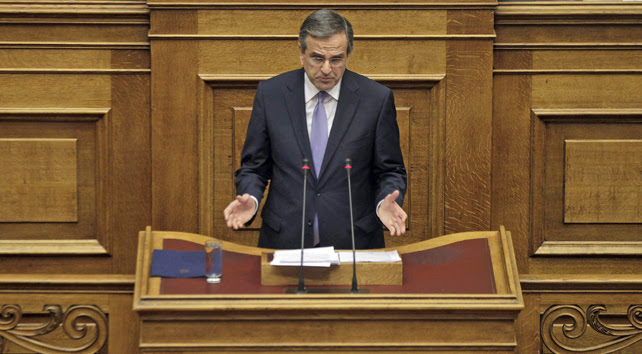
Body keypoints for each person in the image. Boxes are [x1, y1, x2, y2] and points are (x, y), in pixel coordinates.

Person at [224, 9, 407, 249]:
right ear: (301, 54)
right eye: (317, 58)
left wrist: (385, 199)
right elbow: (254, 168)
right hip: (285, 240)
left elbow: (390, 170)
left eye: (337, 59)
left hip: (353, 243)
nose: (327, 69)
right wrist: (251, 197)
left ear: (348, 56)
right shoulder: (272, 95)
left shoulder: (376, 99)